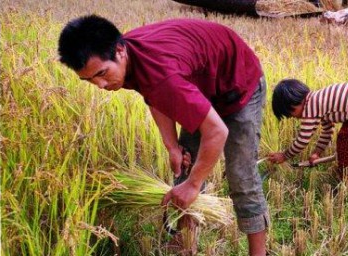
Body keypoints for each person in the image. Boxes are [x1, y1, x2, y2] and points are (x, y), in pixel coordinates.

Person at [58, 15, 269, 255]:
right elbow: (154, 95)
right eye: (89, 80)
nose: (101, 85)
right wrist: (172, 146)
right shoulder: (131, 60)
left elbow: (217, 131)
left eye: (102, 73)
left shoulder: (161, 73)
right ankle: (185, 244)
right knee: (186, 163)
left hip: (238, 84)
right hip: (199, 85)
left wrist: (193, 185)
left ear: (119, 50)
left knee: (242, 177)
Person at [268, 79, 348, 193]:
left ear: (293, 104)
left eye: (291, 114)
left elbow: (302, 140)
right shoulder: (318, 103)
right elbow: (327, 131)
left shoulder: (310, 108)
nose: (295, 118)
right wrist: (317, 153)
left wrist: (284, 155)